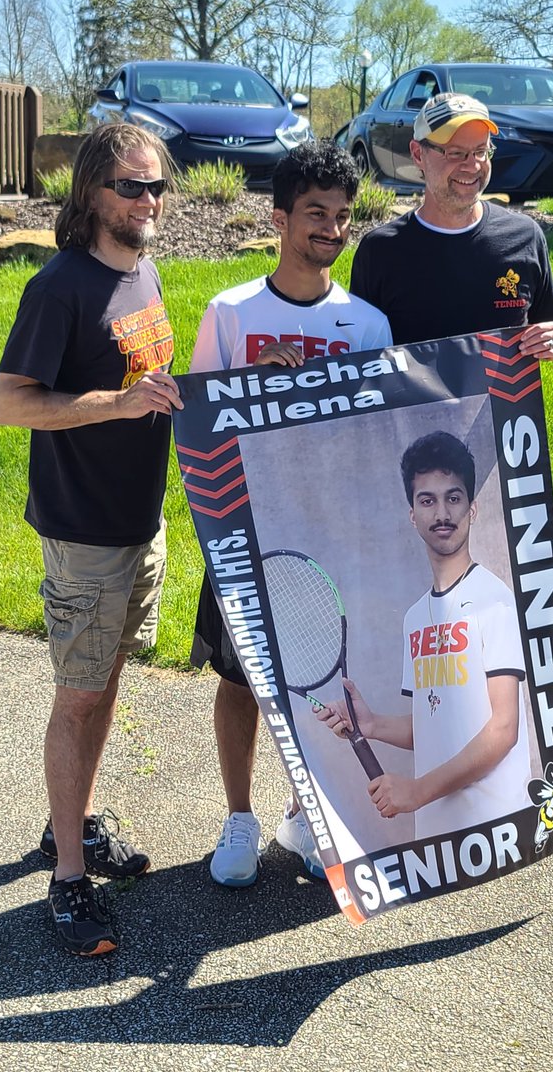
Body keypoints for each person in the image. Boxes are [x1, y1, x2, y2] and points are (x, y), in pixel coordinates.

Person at [0, 122, 183, 956]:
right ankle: (68, 880)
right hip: (84, 534)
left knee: (103, 683)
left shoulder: (144, 273)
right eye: (133, 187)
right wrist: (114, 404)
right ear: (93, 194)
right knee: (78, 697)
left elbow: (155, 383)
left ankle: (71, 828)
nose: (150, 201)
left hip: (140, 522)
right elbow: (9, 402)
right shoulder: (59, 288)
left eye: (159, 187)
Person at [189, 139, 392, 887]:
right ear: (279, 218)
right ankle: (238, 817)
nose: (332, 230)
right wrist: (250, 383)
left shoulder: (367, 324)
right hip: (245, 529)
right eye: (316, 214)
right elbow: (197, 423)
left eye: (342, 217)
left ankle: (306, 815)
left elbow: (377, 438)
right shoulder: (232, 311)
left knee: (325, 683)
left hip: (328, 534)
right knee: (241, 682)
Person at [317, 431, 533, 839]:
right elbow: (432, 725)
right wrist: (373, 724)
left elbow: (504, 730)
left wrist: (416, 792)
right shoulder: (416, 618)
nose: (442, 513)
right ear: (412, 515)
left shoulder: (495, 601)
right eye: (427, 501)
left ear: (473, 509)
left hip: (498, 834)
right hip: (439, 837)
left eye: (454, 498)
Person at [350, 92, 553, 362]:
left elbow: (549, 324)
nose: (472, 165)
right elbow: (358, 354)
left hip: (503, 404)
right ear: (418, 154)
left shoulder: (525, 237)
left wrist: (552, 338)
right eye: (456, 153)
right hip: (414, 405)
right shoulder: (380, 251)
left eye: (481, 151)